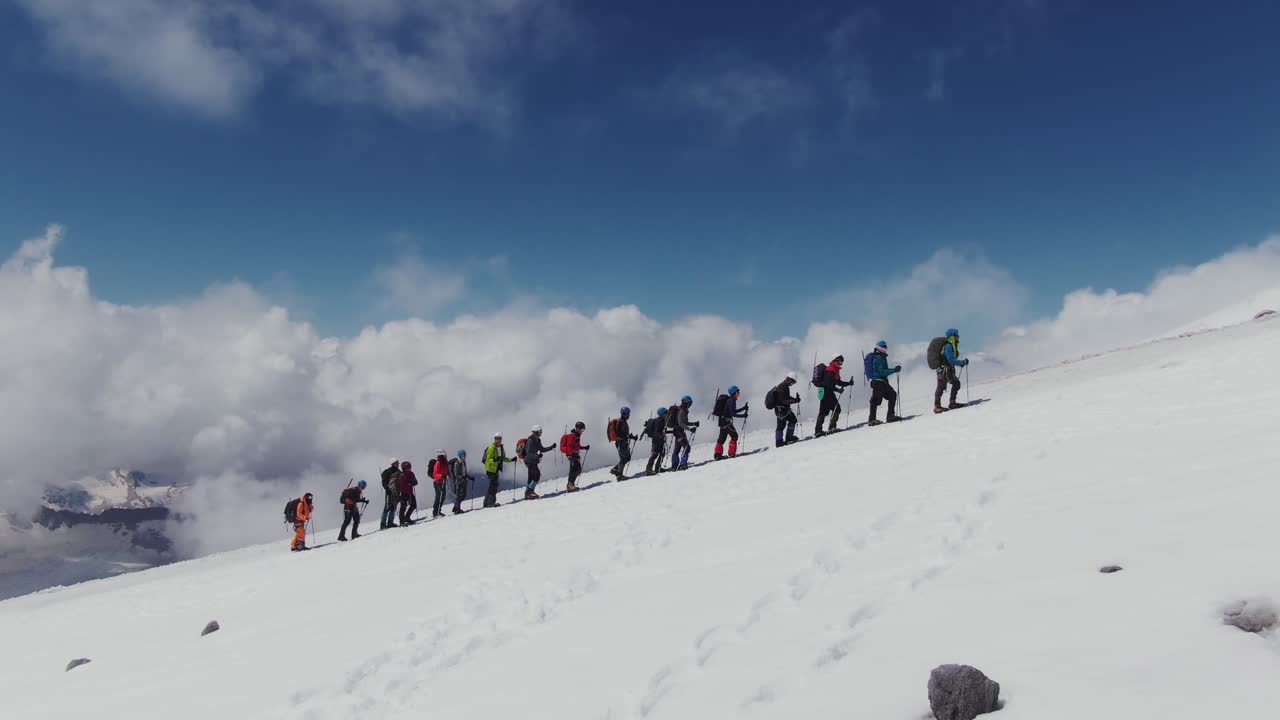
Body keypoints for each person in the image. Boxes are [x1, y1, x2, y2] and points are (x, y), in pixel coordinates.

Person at [928, 328, 969, 413]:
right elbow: (950, 359)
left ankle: (950, 403)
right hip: (944, 370)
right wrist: (961, 362)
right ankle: (939, 406)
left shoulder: (951, 345)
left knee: (954, 384)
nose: (958, 336)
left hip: (946, 369)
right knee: (941, 387)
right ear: (952, 336)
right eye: (956, 335)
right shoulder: (948, 346)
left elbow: (951, 359)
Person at [814, 355, 854, 437]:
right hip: (827, 393)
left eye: (842, 361)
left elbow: (838, 382)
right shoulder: (830, 370)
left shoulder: (835, 370)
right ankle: (830, 428)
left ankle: (819, 430)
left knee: (825, 411)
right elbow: (828, 384)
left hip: (826, 393)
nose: (841, 363)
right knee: (834, 409)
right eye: (840, 361)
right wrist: (838, 390)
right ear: (836, 360)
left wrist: (848, 383)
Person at [865, 341, 903, 425]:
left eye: (885, 347)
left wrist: (893, 370)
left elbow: (882, 370)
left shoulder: (881, 357)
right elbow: (881, 371)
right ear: (879, 348)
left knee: (892, 395)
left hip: (881, 382)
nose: (885, 348)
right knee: (875, 400)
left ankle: (889, 416)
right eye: (883, 347)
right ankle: (873, 419)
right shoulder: (878, 358)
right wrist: (894, 370)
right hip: (878, 382)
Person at [713, 386, 749, 460]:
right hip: (726, 422)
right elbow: (733, 413)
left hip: (722, 421)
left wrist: (743, 408)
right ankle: (731, 454)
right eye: (738, 391)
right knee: (734, 436)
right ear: (734, 393)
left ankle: (717, 455)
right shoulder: (731, 401)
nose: (739, 393)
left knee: (722, 438)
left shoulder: (731, 400)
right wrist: (743, 415)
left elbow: (733, 411)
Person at [522, 425, 557, 499]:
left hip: (533, 461)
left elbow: (542, 449)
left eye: (541, 431)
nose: (540, 433)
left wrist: (551, 447)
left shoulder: (538, 440)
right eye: (539, 432)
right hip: (529, 461)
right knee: (537, 475)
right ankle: (529, 492)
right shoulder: (530, 440)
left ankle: (528, 493)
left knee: (531, 477)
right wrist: (537, 456)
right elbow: (528, 452)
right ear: (535, 432)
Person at [482, 433, 515, 507]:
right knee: (493, 485)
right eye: (497, 438)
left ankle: (487, 502)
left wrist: (511, 460)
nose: (498, 440)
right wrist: (495, 459)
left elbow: (503, 458)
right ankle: (490, 502)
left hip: (496, 469)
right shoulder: (491, 447)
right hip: (490, 469)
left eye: (499, 438)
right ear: (495, 439)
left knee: (493, 485)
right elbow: (487, 460)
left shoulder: (501, 447)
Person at [668, 396, 700, 470]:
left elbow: (684, 422)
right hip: (679, 432)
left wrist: (694, 424)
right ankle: (683, 464)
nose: (690, 405)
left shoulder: (682, 410)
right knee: (687, 448)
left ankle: (674, 465)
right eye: (690, 403)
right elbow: (681, 423)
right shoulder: (682, 411)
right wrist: (690, 429)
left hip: (677, 432)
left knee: (677, 449)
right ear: (686, 402)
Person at [770, 372, 801, 447]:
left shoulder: (784, 386)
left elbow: (786, 397)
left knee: (792, 420)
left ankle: (787, 438)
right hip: (781, 410)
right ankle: (779, 442)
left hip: (783, 409)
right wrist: (794, 401)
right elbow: (783, 400)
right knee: (781, 426)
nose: (793, 383)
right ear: (789, 379)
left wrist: (795, 399)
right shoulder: (782, 387)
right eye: (793, 382)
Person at [561, 422, 591, 492]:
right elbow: (569, 447)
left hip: (574, 455)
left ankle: (571, 484)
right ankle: (570, 485)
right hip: (571, 455)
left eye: (583, 429)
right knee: (575, 469)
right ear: (577, 429)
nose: (582, 431)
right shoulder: (572, 436)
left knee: (576, 469)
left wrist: (584, 447)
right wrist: (573, 455)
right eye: (582, 429)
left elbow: (576, 446)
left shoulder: (577, 435)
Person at [610, 408, 639, 478]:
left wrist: (631, 436)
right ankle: (619, 476)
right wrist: (629, 436)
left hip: (624, 443)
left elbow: (624, 433)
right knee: (623, 459)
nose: (629, 415)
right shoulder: (620, 422)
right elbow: (619, 434)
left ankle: (615, 469)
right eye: (628, 414)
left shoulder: (623, 421)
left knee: (627, 458)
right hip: (620, 443)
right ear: (625, 414)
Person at [643, 407, 669, 476]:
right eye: (665, 412)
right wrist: (662, 436)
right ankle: (649, 470)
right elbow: (656, 432)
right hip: (656, 440)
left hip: (659, 440)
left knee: (662, 453)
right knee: (655, 454)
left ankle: (658, 468)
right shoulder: (659, 421)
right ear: (662, 414)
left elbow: (661, 431)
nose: (667, 414)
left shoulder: (662, 420)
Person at [379, 459, 400, 529]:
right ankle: (383, 524)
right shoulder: (387, 471)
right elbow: (384, 482)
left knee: (393, 507)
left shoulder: (398, 471)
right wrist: (387, 490)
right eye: (396, 463)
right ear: (393, 463)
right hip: (390, 492)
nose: (398, 464)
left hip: (396, 492)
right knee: (387, 507)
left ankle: (390, 522)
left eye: (398, 463)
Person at [396, 461, 418, 526]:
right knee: (403, 507)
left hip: (409, 492)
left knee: (413, 505)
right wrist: (411, 483)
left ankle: (407, 518)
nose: (409, 469)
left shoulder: (411, 474)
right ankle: (402, 522)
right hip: (403, 493)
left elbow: (416, 482)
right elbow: (402, 486)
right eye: (407, 468)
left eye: (409, 467)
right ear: (404, 468)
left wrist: (411, 483)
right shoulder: (402, 476)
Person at [449, 450, 470, 514]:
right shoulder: (457, 462)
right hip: (459, 481)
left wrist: (469, 477)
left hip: (463, 480)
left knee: (463, 495)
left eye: (464, 455)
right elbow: (456, 473)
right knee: (460, 495)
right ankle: (456, 509)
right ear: (460, 456)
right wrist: (461, 477)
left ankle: (456, 508)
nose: (464, 456)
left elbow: (465, 472)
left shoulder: (463, 462)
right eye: (462, 455)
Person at [430, 450, 449, 517]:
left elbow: (445, 471)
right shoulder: (438, 463)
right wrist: (441, 476)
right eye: (444, 455)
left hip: (442, 481)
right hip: (437, 482)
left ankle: (438, 510)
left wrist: (446, 476)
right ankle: (435, 512)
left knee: (442, 496)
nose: (446, 456)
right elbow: (434, 474)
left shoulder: (444, 462)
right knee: (438, 496)